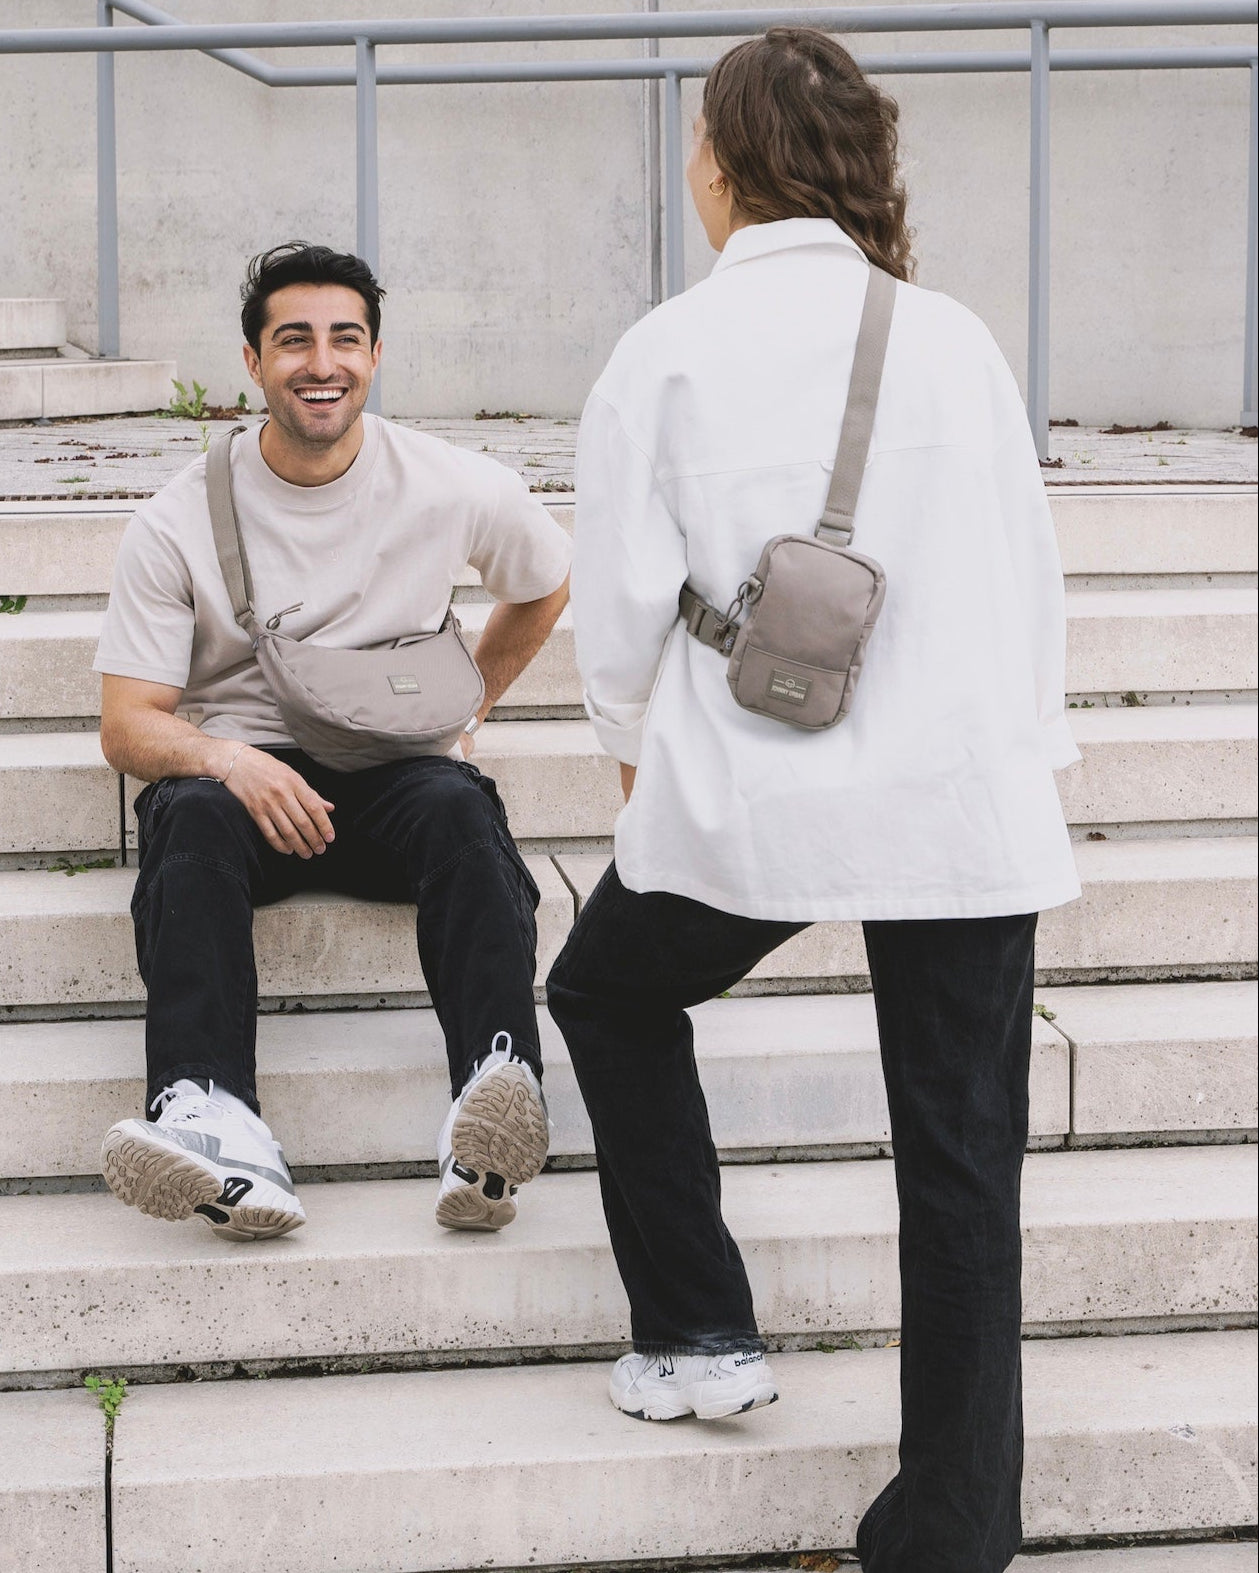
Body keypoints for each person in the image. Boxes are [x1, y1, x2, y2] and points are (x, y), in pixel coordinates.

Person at [546, 28, 1079, 1573]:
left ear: (721, 164)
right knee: (961, 1164)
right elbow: (1026, 577)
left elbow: (619, 614)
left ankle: (696, 1327)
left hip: (752, 796)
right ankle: (949, 1531)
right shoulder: (953, 340)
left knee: (603, 989)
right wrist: (1027, 765)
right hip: (957, 808)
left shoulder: (664, 352)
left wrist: (633, 761)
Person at [95, 242, 570, 1242]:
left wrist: (471, 706)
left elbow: (544, 580)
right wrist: (230, 758)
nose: (322, 363)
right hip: (246, 798)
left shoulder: (445, 481)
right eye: (294, 340)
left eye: (345, 339)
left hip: (395, 777)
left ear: (376, 354)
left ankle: (493, 1104)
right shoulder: (177, 518)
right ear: (252, 361)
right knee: (187, 819)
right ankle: (211, 1119)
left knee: (460, 806)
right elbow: (128, 722)